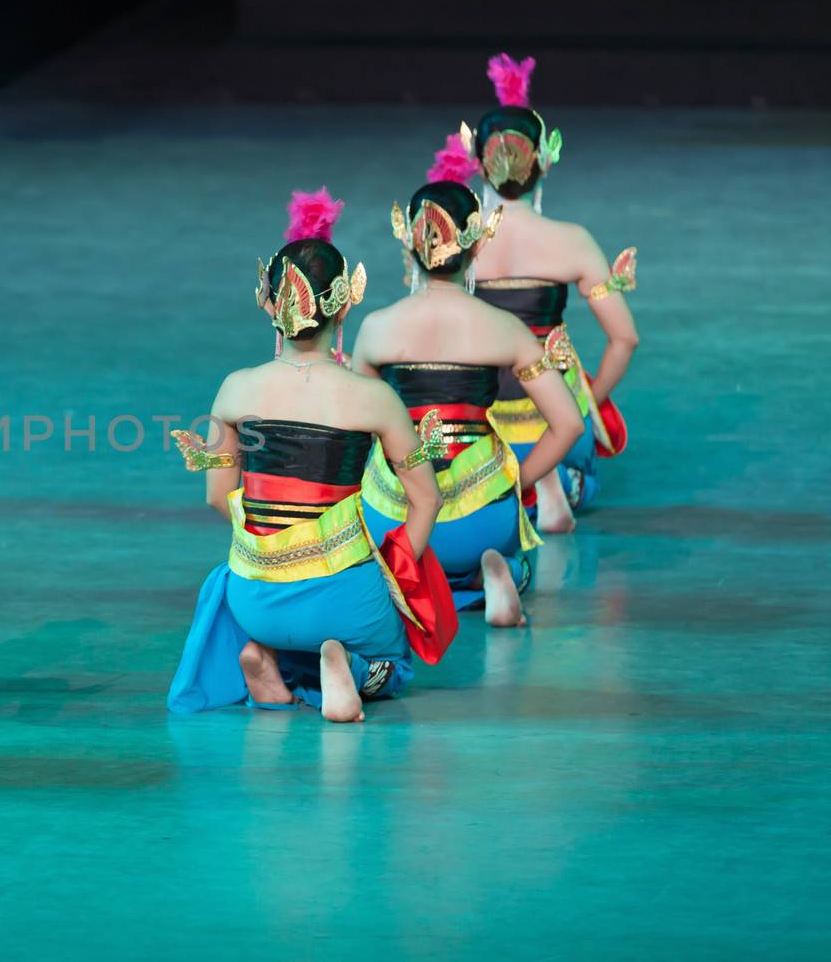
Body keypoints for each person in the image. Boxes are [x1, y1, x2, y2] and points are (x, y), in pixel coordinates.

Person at [166, 190, 457, 722]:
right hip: (344, 592)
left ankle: (267, 653)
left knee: (247, 590)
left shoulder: (234, 390)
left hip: (254, 597)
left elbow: (218, 498)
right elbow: (427, 499)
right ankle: (344, 660)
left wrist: (274, 561)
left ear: (267, 302)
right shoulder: (374, 399)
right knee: (395, 662)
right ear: (346, 303)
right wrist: (393, 571)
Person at [354, 173, 583, 626]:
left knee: (381, 556)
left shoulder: (376, 328)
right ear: (477, 245)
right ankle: (494, 576)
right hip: (482, 519)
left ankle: (416, 578)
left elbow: (356, 433)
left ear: (410, 248)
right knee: (513, 558)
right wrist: (519, 484)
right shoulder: (505, 329)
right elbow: (570, 424)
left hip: (396, 523)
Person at [459, 54, 639, 528]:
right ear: (545, 163)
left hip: (478, 422)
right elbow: (624, 340)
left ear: (477, 164)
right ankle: (554, 481)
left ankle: (499, 487)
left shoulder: (456, 244)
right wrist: (589, 400)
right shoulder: (572, 241)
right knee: (575, 448)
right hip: (553, 418)